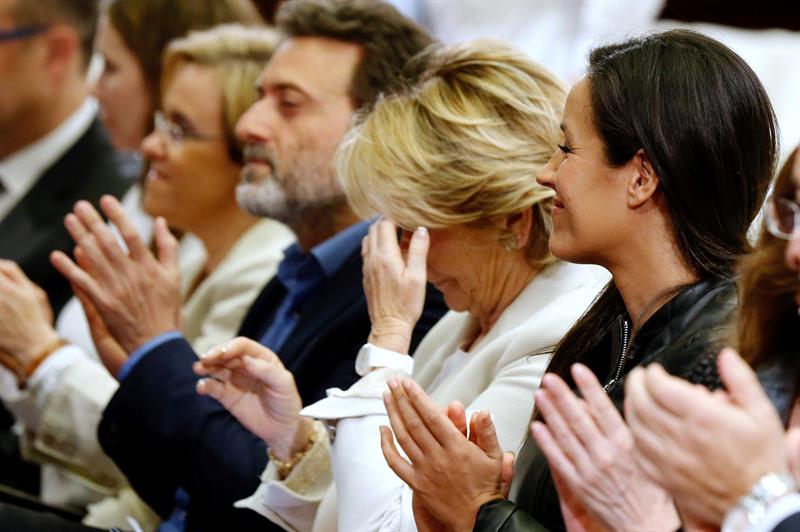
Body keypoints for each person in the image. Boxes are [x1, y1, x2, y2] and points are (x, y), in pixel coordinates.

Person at [51, 0, 446, 529]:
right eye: (259, 96)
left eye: (288, 103)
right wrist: (139, 366)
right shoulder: (295, 271)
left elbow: (262, 506)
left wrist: (155, 350)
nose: (249, 124)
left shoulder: (406, 293)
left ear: (378, 128)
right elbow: (178, 486)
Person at [195, 40, 609, 532]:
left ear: (511, 224)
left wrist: (388, 340)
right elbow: (346, 509)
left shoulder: (555, 339)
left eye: (415, 230)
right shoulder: (464, 320)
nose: (401, 255)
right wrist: (294, 440)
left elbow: (384, 528)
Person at [378, 28, 778, 531]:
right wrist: (489, 502)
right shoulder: (614, 325)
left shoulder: (721, 362)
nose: (546, 174)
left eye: (566, 149)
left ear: (641, 178)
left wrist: (482, 514)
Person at [0, 24, 294, 529]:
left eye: (178, 130)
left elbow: (192, 455)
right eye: (158, 122)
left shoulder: (264, 273)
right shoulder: (190, 250)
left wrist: (42, 357)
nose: (150, 146)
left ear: (245, 155)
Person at [624, 147, 800, 531]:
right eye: (795, 214)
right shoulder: (759, 367)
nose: (794, 251)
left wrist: (765, 501)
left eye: (567, 149)